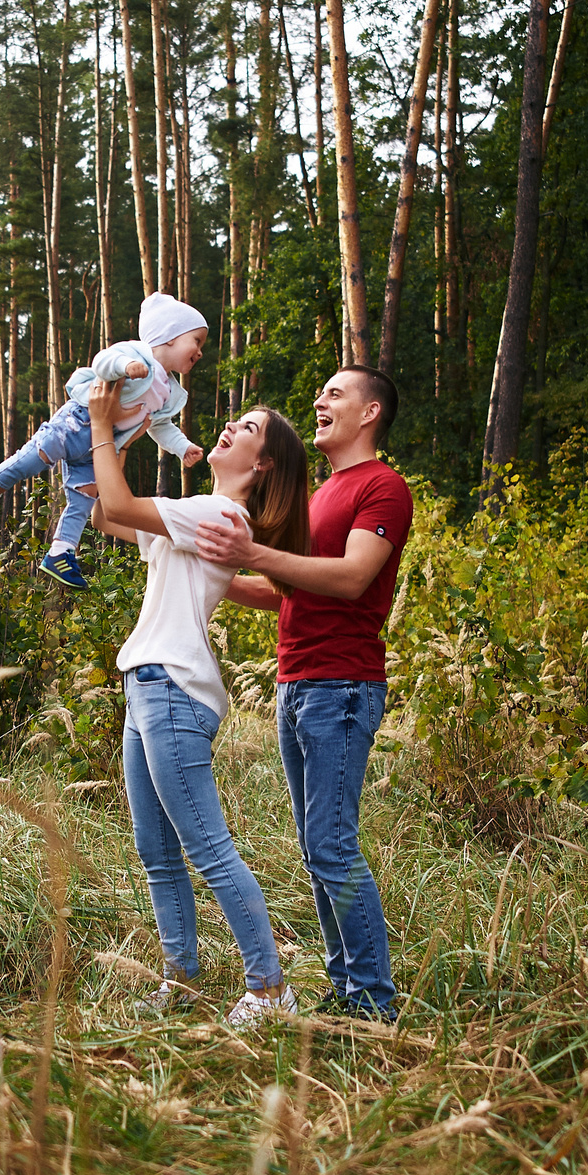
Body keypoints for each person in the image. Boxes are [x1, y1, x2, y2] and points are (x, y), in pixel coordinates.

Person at [80, 373, 312, 1027]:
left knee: (207, 847)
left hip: (174, 689)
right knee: (156, 849)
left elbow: (118, 503)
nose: (231, 426)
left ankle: (270, 989)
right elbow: (106, 515)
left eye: (250, 427)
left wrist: (100, 426)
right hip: (146, 684)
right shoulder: (198, 512)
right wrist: (124, 430)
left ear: (263, 464)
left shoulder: (218, 514)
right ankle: (181, 978)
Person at [195, 365, 410, 1021]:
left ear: (370, 413)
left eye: (335, 393)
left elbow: (350, 577)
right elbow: (288, 588)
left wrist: (252, 553)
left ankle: (373, 1003)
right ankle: (347, 989)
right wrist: (211, 568)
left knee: (332, 846)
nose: (319, 400)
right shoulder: (321, 495)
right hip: (296, 684)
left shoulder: (382, 486)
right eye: (320, 392)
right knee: (320, 851)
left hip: (341, 684)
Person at [0, 293, 209, 589]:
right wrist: (125, 366)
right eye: (197, 341)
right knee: (32, 458)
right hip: (76, 423)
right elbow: (103, 361)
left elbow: (160, 426)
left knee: (83, 499)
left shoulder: (170, 392)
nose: (200, 352)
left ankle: (60, 553)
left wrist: (183, 447)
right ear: (170, 336)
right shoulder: (137, 355)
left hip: (101, 447)